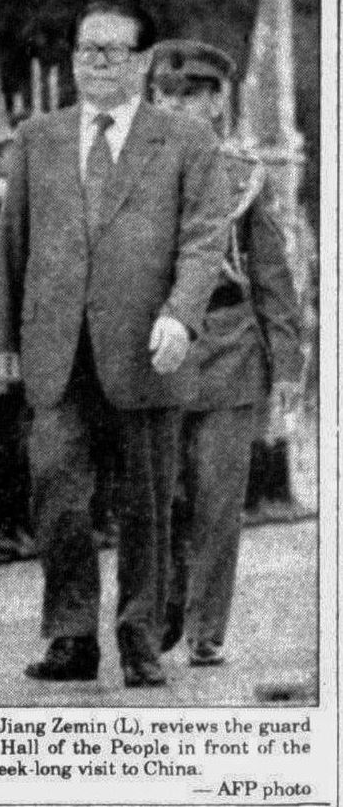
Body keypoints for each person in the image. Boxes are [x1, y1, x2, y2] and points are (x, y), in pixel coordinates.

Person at [0, 0, 230, 687]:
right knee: (57, 495)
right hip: (57, 351)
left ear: (144, 61)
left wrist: (181, 316)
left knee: (146, 505)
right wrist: (0, 337)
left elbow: (204, 239)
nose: (95, 62)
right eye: (85, 50)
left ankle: (141, 637)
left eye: (112, 51)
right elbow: (12, 242)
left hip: (147, 349)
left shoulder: (185, 141)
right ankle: (70, 635)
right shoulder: (37, 138)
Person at [150, 40, 302, 666]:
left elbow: (271, 277)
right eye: (166, 94)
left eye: (191, 95)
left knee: (216, 500)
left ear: (218, 103)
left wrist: (287, 365)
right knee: (158, 496)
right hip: (155, 351)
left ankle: (206, 627)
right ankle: (161, 611)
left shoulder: (241, 177)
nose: (176, 105)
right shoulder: (131, 176)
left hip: (228, 349)